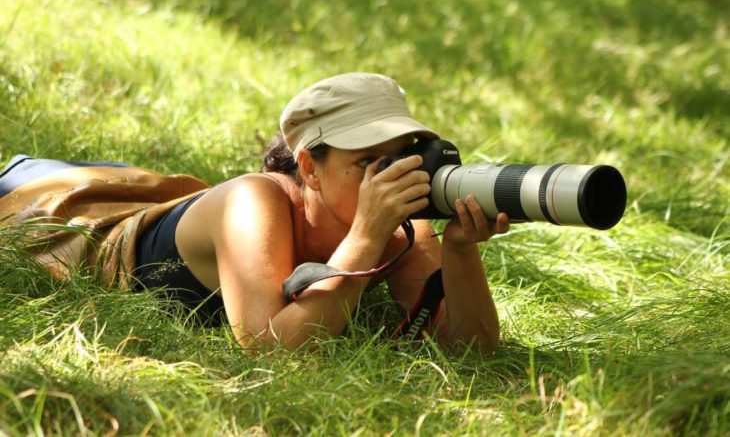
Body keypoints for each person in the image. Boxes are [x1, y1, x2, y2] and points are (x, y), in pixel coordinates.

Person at [0, 72, 509, 352]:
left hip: (139, 190)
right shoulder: (254, 200)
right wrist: (365, 237)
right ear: (309, 167)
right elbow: (270, 350)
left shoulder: (402, 225)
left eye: (400, 157)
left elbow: (474, 351)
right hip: (59, 210)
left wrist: (461, 252)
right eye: (367, 163)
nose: (388, 178)